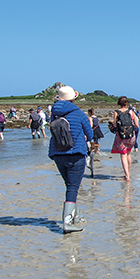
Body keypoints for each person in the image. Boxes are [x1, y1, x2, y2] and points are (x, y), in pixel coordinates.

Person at [49, 86, 94, 233]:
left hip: (57, 153)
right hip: (75, 153)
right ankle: (67, 223)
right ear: (73, 98)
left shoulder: (53, 113)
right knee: (73, 187)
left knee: (70, 186)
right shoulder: (78, 112)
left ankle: (75, 217)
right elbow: (90, 133)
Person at [110, 96, 140, 181]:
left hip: (121, 136)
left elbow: (115, 125)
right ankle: (128, 173)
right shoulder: (131, 112)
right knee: (128, 154)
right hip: (131, 135)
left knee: (123, 155)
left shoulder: (117, 112)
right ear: (127, 103)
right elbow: (137, 125)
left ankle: (127, 176)